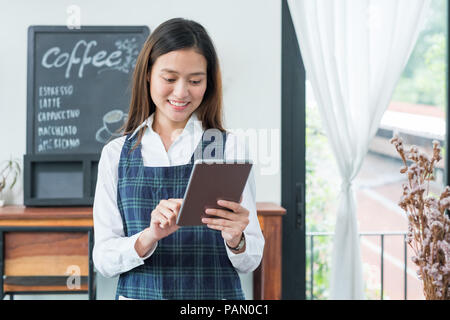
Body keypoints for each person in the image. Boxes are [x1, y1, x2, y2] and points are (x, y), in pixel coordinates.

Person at [92, 17, 265, 300]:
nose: (181, 92)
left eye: (195, 80)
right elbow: (103, 260)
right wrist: (149, 236)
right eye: (169, 79)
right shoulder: (116, 155)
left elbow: (250, 260)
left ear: (208, 83)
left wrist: (237, 239)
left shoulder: (228, 148)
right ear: (148, 74)